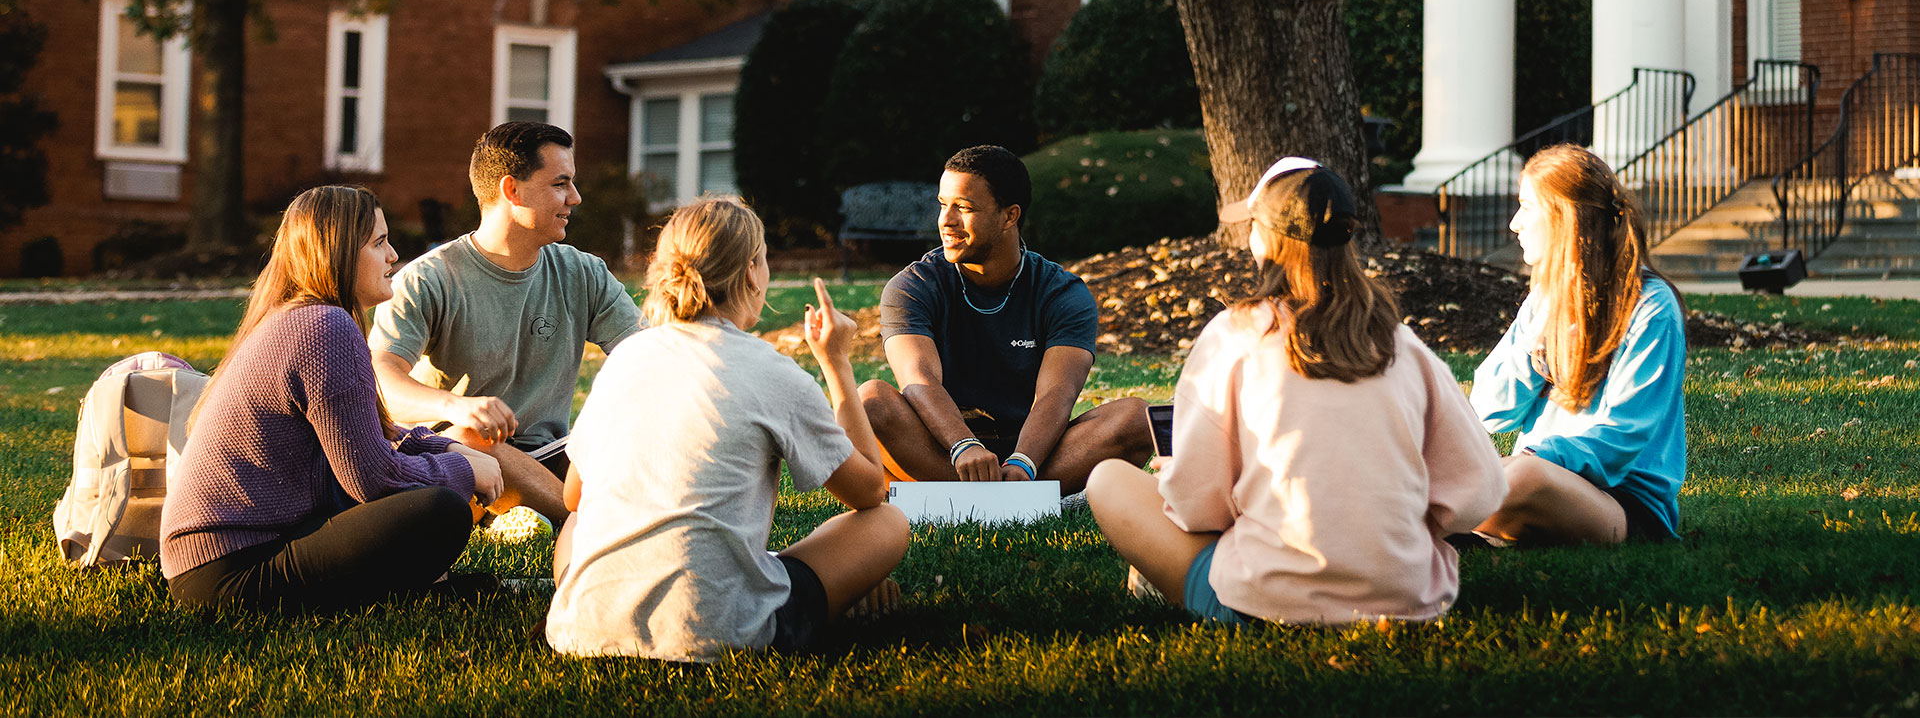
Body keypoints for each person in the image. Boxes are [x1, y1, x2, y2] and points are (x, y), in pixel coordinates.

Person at [1086, 158, 1508, 625]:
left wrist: (1186, 478)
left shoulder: (1237, 335)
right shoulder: (1402, 344)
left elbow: (1195, 508)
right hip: (1409, 601)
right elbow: (1481, 491)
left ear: (1264, 238)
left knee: (1108, 479)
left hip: (1267, 604)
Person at [545, 197, 908, 661]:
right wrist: (836, 363)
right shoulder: (773, 372)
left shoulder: (626, 358)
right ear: (753, 272)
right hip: (721, 632)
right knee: (888, 523)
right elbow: (869, 492)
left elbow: (575, 498)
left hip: (579, 632)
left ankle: (600, 605)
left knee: (578, 521)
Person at [161, 186, 503, 612]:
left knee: (421, 503)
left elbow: (373, 433)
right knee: (440, 510)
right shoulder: (324, 327)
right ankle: (417, 589)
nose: (394, 255)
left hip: (221, 562)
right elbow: (372, 478)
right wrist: (462, 470)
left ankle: (421, 588)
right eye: (378, 243)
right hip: (231, 573)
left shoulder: (298, 316)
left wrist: (447, 444)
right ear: (337, 252)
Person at [370, 122, 642, 524]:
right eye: (560, 184)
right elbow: (381, 383)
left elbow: (650, 357)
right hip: (460, 463)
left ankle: (534, 518)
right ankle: (592, 529)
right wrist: (458, 407)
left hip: (555, 456)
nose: (575, 198)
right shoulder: (429, 278)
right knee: (472, 439)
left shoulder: (583, 273)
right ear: (511, 190)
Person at [860, 145, 1153, 495]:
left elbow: (1056, 394)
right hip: (941, 449)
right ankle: (1022, 500)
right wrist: (963, 447)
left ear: (1009, 216)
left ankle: (989, 494)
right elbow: (918, 380)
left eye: (964, 208)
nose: (946, 220)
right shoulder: (912, 286)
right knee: (871, 400)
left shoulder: (1063, 293)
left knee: (1138, 418)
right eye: (943, 204)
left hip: (1035, 453)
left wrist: (1022, 462)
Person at [1467, 143, 1687, 546]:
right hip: (1537, 480)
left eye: (1526, 207)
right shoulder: (1543, 300)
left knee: (1517, 480)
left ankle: (1439, 527)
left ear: (1563, 218)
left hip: (1624, 505)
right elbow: (1489, 410)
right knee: (1456, 477)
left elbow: (1622, 437)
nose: (1515, 224)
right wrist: (1537, 349)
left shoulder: (1652, 307)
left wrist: (1537, 459)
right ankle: (1451, 529)